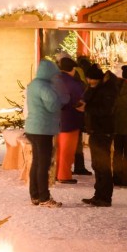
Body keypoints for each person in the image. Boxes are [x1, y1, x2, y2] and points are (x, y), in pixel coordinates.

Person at [25, 59, 64, 208]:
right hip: (43, 129)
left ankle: (34, 195)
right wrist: (59, 97)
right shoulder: (45, 87)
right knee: (43, 164)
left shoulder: (33, 84)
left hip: (32, 128)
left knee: (36, 163)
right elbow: (53, 105)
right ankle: (44, 197)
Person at [82, 64, 118, 207]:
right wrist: (90, 90)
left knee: (102, 165)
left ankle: (105, 197)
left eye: (91, 80)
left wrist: (87, 108)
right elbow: (87, 99)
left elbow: (106, 110)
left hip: (103, 131)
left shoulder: (108, 89)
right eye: (88, 79)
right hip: (96, 130)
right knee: (97, 164)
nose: (89, 82)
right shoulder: (97, 87)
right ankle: (98, 195)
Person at [54, 56, 86, 184]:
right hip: (69, 120)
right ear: (73, 69)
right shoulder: (74, 84)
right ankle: (65, 175)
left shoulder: (53, 81)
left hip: (54, 120)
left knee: (57, 149)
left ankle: (56, 173)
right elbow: (80, 102)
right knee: (67, 150)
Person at [73, 55, 93, 175]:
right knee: (77, 142)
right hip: (78, 114)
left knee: (76, 141)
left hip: (72, 115)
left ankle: (77, 166)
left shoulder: (74, 74)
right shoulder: (81, 81)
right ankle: (79, 166)